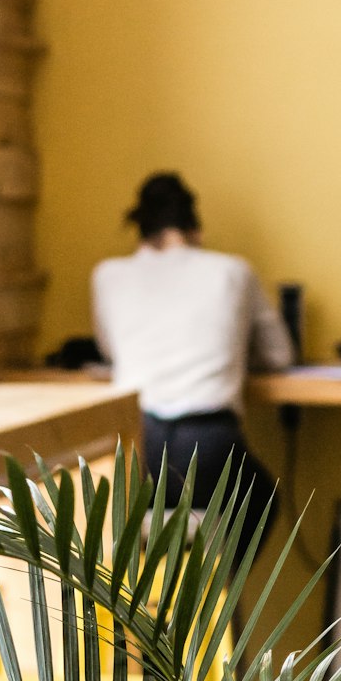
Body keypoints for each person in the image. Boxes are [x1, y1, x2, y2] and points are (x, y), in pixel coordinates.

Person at [91, 173, 292, 562]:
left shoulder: (108, 275)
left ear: (140, 230)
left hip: (136, 446)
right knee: (262, 500)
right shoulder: (233, 271)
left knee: (139, 520)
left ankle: (149, 607)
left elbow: (111, 352)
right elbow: (280, 356)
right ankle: (219, 599)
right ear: (195, 230)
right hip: (210, 444)